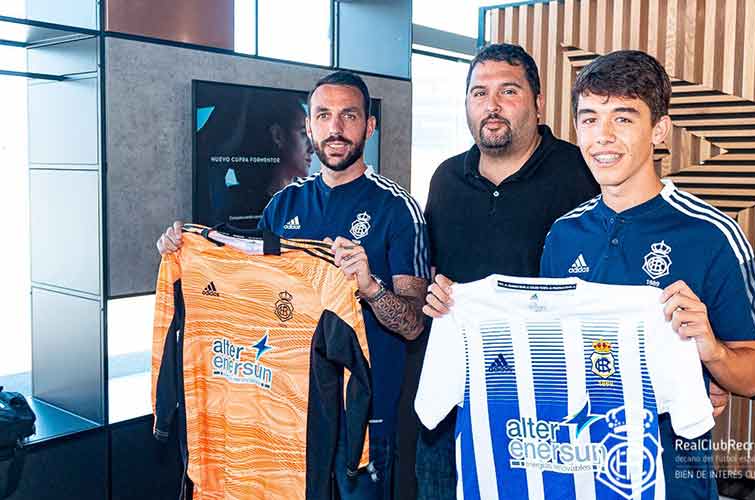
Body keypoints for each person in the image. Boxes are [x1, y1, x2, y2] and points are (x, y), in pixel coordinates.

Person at [158, 70, 429, 500]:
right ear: (309, 126)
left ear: (369, 125)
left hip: (366, 418)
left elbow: (414, 324)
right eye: (323, 116)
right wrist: (183, 251)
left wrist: (370, 287)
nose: (335, 129)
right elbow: (250, 298)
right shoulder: (283, 204)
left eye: (349, 116)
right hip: (292, 416)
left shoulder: (397, 208)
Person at [537, 50, 755, 499]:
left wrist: (711, 351)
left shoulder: (714, 235)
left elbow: (753, 376)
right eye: (588, 119)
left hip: (672, 480)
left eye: (622, 118)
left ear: (658, 131)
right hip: (574, 474)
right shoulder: (562, 234)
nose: (602, 137)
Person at [411, 43, 599, 500]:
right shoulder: (445, 180)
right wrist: (431, 296)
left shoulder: (583, 172)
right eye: (479, 93)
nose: (491, 106)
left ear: (537, 101)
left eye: (507, 91)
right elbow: (430, 278)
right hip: (455, 393)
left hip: (551, 404)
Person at [227, 97, 314, 224]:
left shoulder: (309, 199)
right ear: (278, 136)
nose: (312, 149)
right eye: (302, 134)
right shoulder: (241, 207)